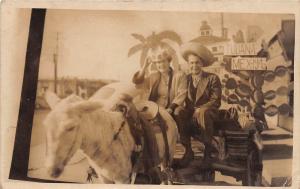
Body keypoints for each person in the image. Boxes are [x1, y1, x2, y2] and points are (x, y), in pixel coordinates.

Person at [132, 45, 190, 166]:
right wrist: (145, 66)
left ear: (168, 61)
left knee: (178, 114)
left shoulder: (179, 75)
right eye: (158, 63)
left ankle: (186, 148)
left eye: (163, 61)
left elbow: (182, 93)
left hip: (173, 107)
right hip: (155, 107)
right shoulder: (154, 76)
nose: (160, 65)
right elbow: (137, 81)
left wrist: (170, 108)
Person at [179, 42, 222, 167]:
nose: (194, 65)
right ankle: (188, 151)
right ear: (188, 64)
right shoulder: (185, 79)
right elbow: (180, 96)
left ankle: (208, 152)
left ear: (202, 63)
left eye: (197, 62)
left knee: (203, 112)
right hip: (190, 113)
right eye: (191, 63)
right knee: (178, 112)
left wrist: (200, 109)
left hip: (209, 113)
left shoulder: (212, 78)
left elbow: (216, 100)